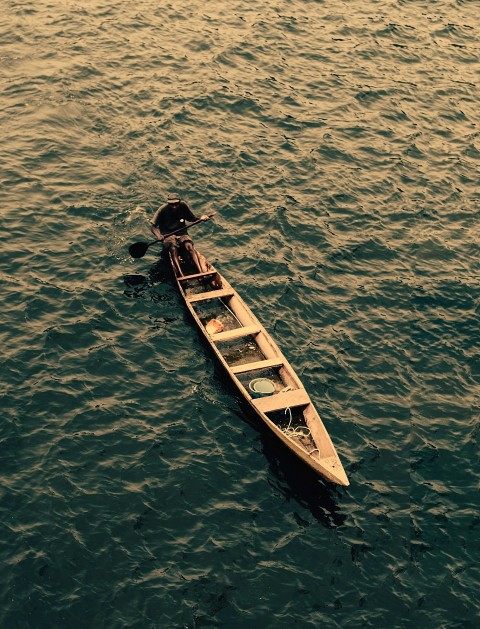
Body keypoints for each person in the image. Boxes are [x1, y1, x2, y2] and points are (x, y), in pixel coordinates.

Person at [150, 193, 210, 276]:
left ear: (179, 202)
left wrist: (202, 218)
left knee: (189, 245)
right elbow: (153, 227)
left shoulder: (183, 206)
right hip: (167, 234)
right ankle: (181, 275)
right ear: (168, 203)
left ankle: (201, 272)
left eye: (176, 204)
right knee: (173, 248)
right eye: (172, 204)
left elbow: (192, 219)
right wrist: (159, 236)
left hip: (182, 233)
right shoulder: (162, 209)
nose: (174, 206)